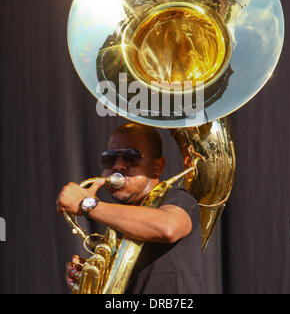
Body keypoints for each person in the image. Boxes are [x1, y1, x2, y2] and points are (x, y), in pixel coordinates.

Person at [56, 122, 206, 294]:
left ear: (157, 167)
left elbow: (168, 227)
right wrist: (93, 280)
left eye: (131, 157)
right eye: (110, 159)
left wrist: (87, 205)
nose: (118, 166)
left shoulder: (177, 197)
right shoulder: (118, 221)